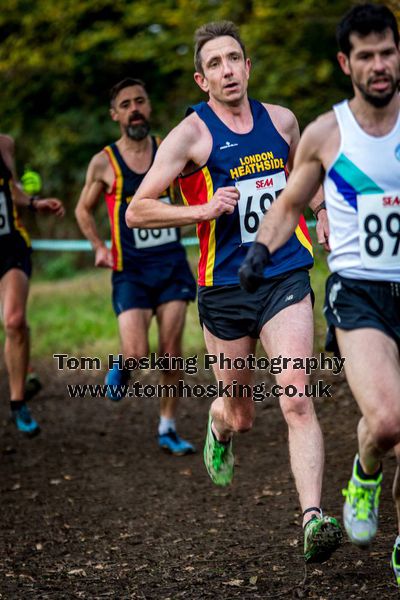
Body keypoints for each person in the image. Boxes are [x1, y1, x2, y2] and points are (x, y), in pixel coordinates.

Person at [125, 22, 342, 563]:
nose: (227, 70)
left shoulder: (283, 121)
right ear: (203, 79)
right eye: (215, 64)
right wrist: (198, 209)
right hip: (223, 288)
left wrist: (318, 214)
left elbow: (301, 176)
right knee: (242, 414)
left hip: (285, 272)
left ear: (247, 67)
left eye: (234, 59)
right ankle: (218, 425)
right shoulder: (189, 135)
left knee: (296, 395)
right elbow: (137, 209)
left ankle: (313, 518)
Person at [239, 2, 400, 584]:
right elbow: (286, 204)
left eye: (387, 52)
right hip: (359, 293)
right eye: (366, 56)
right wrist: (260, 252)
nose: (379, 65)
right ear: (345, 62)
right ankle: (364, 471)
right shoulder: (327, 133)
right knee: (385, 421)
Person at [75, 78, 197, 456]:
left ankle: (167, 426)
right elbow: (83, 209)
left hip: (172, 265)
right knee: (137, 353)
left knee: (171, 351)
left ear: (149, 106)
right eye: (125, 104)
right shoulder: (104, 162)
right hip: (131, 271)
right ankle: (123, 364)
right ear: (115, 115)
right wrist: (98, 245)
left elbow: (195, 191)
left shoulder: (170, 149)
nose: (135, 109)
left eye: (140, 101)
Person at [0, 134, 64, 436]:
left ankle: (17, 402)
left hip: (9, 244)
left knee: (14, 320)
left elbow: (11, 189)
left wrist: (34, 202)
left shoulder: (4, 144)